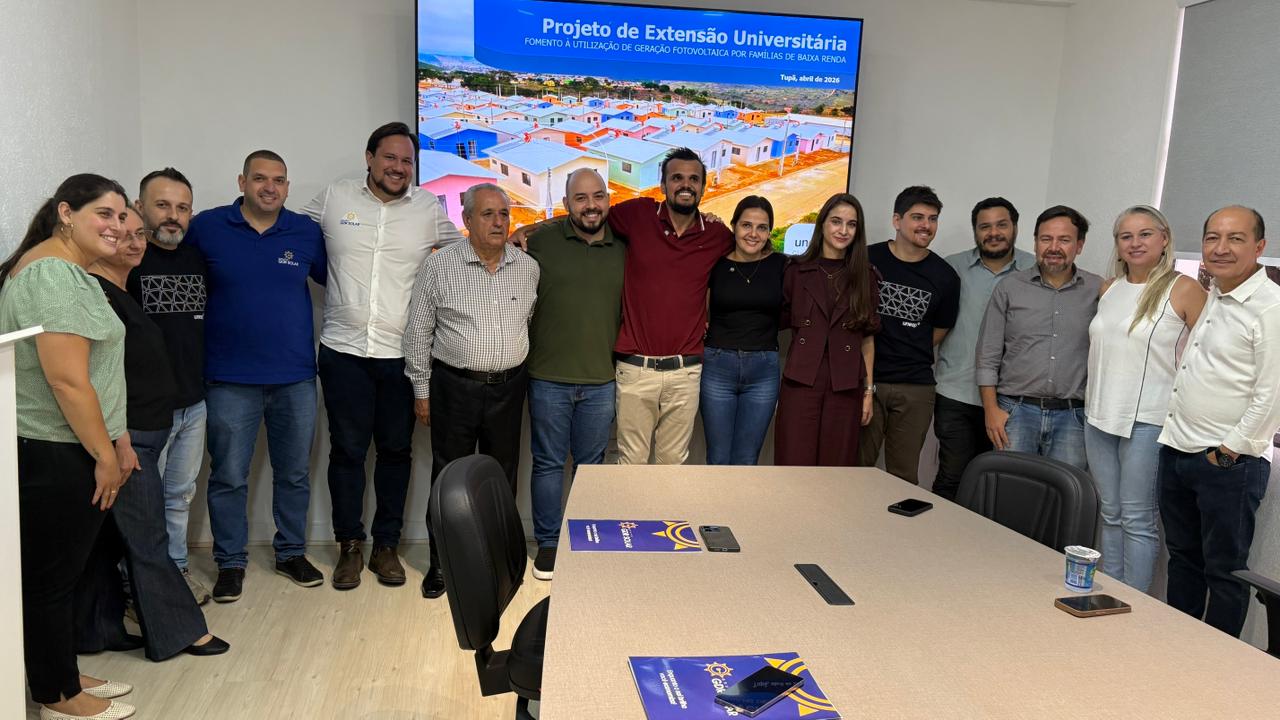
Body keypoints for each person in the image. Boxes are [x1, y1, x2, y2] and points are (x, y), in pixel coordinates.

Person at [303, 122, 463, 590]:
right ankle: (350, 546)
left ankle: (386, 547)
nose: (398, 167)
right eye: (390, 158)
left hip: (401, 356)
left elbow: (466, 249)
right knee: (347, 453)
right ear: (369, 158)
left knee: (395, 453)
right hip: (343, 351)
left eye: (407, 161)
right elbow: (288, 235)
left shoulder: (428, 208)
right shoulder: (335, 198)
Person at [0, 174, 136, 719]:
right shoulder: (51, 275)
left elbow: (98, 371)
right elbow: (67, 381)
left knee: (62, 575)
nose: (117, 225)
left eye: (122, 215)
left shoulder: (71, 271)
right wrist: (103, 454)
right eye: (104, 213)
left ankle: (61, 671)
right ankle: (56, 695)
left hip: (73, 444)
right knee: (50, 580)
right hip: (55, 450)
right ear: (65, 213)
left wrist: (118, 438)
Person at [78, 206, 230, 660]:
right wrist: (118, 438)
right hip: (128, 438)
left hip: (145, 428)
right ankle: (180, 632)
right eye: (121, 235)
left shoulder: (121, 290)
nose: (133, 243)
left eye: (139, 235)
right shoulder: (97, 293)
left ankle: (98, 629)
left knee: (109, 539)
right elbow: (92, 375)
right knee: (148, 538)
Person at [185, 150, 327, 602]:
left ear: (288, 187)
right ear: (242, 181)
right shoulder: (208, 226)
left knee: (294, 474)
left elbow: (340, 280)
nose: (270, 187)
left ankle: (291, 553)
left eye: (279, 180)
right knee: (228, 475)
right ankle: (230, 562)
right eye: (261, 178)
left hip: (295, 377)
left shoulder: (305, 231)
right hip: (228, 378)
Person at [403, 183, 538, 599]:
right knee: (449, 478)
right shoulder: (439, 266)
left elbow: (527, 322)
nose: (498, 222)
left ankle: (498, 562)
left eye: (504, 214)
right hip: (454, 388)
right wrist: (422, 391)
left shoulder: (527, 268)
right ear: (466, 220)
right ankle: (442, 564)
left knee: (501, 479)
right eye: (487, 214)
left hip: (509, 389)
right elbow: (417, 333)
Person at [1158, 205, 1280, 636]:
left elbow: (1272, 395)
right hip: (1178, 449)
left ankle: (1217, 664)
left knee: (1225, 572)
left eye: (1235, 238)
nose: (1220, 248)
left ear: (1260, 247)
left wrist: (1227, 453)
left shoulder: (1270, 307)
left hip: (1228, 463)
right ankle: (1179, 646)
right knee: (1183, 560)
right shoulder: (1215, 294)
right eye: (1212, 238)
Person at [1085, 205, 1205, 593]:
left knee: (1137, 519)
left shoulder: (1184, 289)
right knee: (1111, 513)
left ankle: (1134, 605)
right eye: (1126, 236)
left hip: (1147, 420)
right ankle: (1108, 593)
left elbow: (1207, 359)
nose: (1135, 243)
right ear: (1117, 244)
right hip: (1098, 416)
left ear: (1164, 239)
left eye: (1145, 234)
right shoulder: (1109, 289)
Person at [524, 169, 625, 581]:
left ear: (608, 200)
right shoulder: (542, 240)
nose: (591, 205)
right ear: (566, 204)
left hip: (601, 379)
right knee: (548, 464)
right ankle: (548, 543)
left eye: (598, 196)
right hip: (548, 377)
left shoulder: (624, 245)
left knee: (591, 467)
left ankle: (587, 538)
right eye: (580, 198)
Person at [607, 147, 734, 464]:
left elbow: (749, 256)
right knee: (631, 464)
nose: (685, 185)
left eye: (694, 179)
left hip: (685, 373)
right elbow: (587, 216)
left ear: (703, 187)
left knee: (672, 467)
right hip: (636, 369)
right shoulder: (638, 215)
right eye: (677, 178)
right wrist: (530, 229)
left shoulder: (717, 234)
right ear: (663, 184)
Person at [126, 167, 211, 605]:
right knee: (143, 506)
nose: (172, 216)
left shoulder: (197, 260)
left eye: (182, 207)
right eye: (162, 205)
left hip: (193, 402)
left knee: (179, 496)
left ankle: (175, 573)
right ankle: (139, 589)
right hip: (143, 412)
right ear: (139, 207)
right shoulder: (124, 264)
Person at [976, 206, 1101, 469]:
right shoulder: (1009, 288)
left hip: (1073, 418)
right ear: (1035, 242)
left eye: (1064, 240)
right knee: (1011, 488)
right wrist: (991, 410)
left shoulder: (1098, 290)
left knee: (1065, 491)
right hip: (1015, 412)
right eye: (1046, 239)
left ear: (1079, 245)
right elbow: (987, 355)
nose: (1053, 247)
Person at [932, 198, 1034, 500]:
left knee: (1000, 487)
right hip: (956, 393)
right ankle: (941, 531)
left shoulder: (1034, 269)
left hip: (1011, 400)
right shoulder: (951, 267)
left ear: (1015, 227)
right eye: (984, 226)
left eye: (1001, 225)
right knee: (952, 478)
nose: (993, 233)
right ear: (975, 231)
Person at [857, 186, 960, 484]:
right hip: (866, 382)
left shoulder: (945, 276)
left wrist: (908, 346)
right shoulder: (866, 259)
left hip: (915, 387)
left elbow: (941, 328)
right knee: (854, 468)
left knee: (903, 477)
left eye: (932, 218)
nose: (926, 225)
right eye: (917, 217)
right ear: (897, 220)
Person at [775, 193, 879, 466]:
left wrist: (868, 392)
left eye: (851, 224)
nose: (843, 230)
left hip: (845, 383)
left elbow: (867, 339)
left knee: (837, 468)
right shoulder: (795, 271)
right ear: (822, 224)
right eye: (836, 221)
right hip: (801, 379)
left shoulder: (866, 276)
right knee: (793, 462)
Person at [700, 195, 786, 465]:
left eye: (762, 227)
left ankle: (741, 498)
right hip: (717, 367)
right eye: (746, 225)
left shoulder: (782, 265)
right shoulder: (716, 264)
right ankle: (715, 498)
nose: (753, 234)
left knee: (747, 459)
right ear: (734, 226)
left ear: (769, 232)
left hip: (763, 369)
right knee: (718, 457)